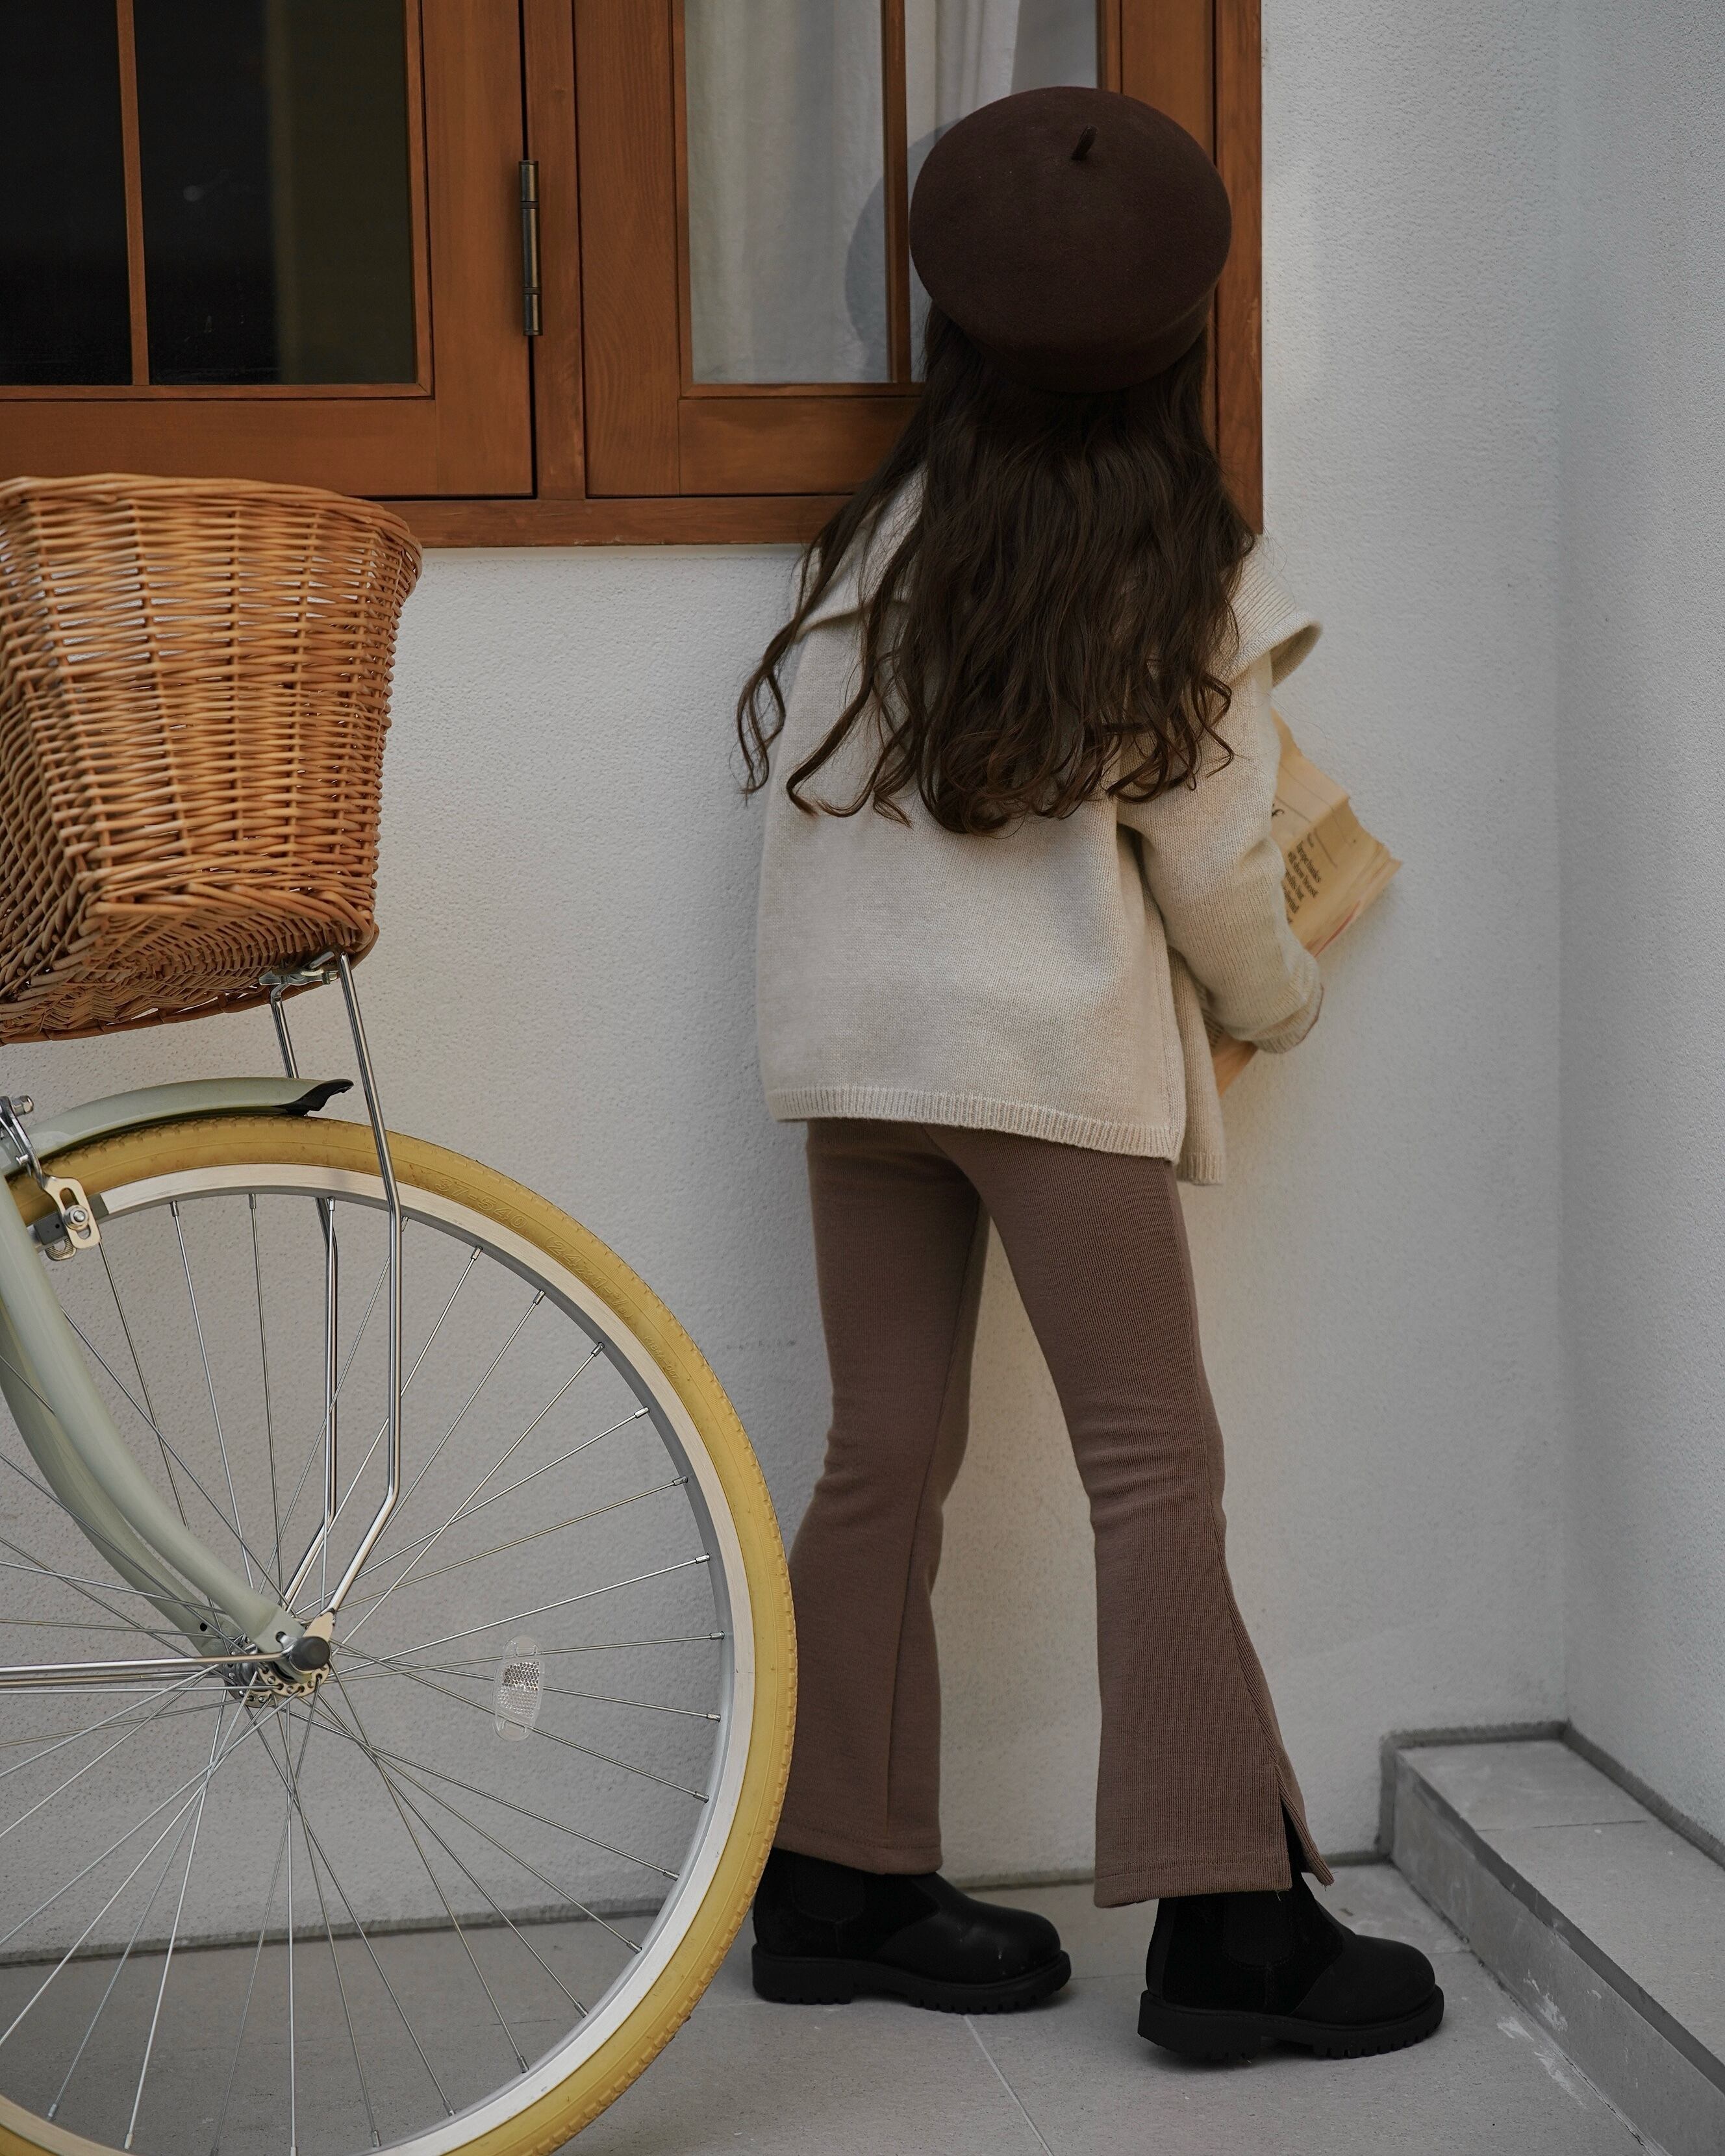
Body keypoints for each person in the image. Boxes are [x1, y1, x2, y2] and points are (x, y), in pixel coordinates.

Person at [737, 84, 1442, 2064]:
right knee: (1154, 1472)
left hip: (861, 1064)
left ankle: (834, 1883)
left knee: (881, 1455)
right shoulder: (1175, 572)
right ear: (1179, 342)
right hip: (1045, 1068)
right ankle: (1231, 1934)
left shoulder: (869, 547)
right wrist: (1282, 1004)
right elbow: (1217, 879)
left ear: (944, 324)